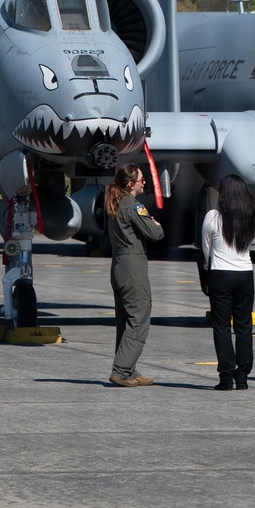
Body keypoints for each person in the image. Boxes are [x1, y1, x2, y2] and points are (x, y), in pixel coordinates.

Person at [106, 164, 163, 386]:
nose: (144, 182)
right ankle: (121, 370)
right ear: (130, 184)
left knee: (125, 319)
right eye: (141, 179)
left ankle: (128, 368)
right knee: (139, 315)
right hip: (132, 265)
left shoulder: (115, 202)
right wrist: (155, 224)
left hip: (118, 264)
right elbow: (155, 233)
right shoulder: (133, 206)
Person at [202, 174, 255, 389]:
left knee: (222, 325)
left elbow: (206, 247)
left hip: (221, 273)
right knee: (244, 326)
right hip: (245, 272)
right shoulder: (249, 215)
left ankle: (225, 375)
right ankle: (242, 376)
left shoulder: (214, 216)